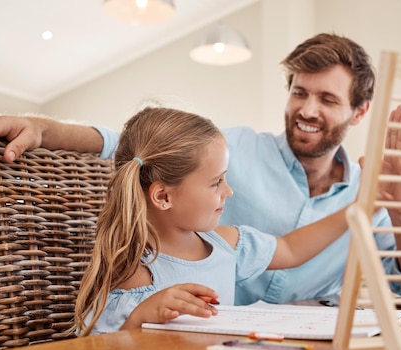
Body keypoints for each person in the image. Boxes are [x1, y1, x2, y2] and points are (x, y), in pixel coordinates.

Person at [0, 33, 401, 305]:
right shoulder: (234, 149)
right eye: (299, 92)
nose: (307, 109)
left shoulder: (372, 198)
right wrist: (44, 128)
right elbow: (135, 147)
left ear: (359, 113)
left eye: (327, 99)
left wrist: (394, 199)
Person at [74, 106, 353, 336]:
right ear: (163, 197)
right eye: (216, 182)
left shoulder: (226, 243)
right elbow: (99, 349)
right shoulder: (136, 270)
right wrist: (140, 316)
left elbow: (291, 249)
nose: (228, 191)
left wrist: (358, 210)